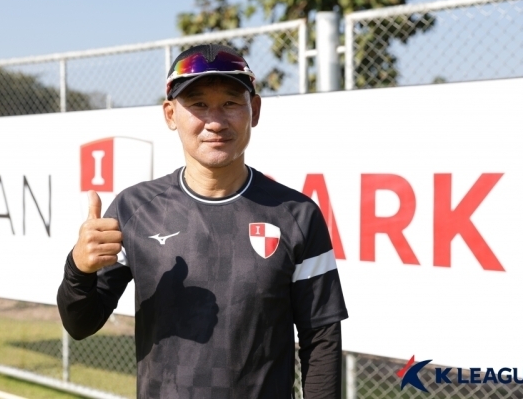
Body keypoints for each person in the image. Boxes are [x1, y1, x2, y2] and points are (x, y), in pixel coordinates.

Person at [57, 44, 348, 398]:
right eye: (197, 104)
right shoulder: (134, 209)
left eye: (230, 103)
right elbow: (80, 323)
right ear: (169, 114)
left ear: (253, 110)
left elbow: (322, 340)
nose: (215, 121)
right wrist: (78, 270)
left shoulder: (297, 214)